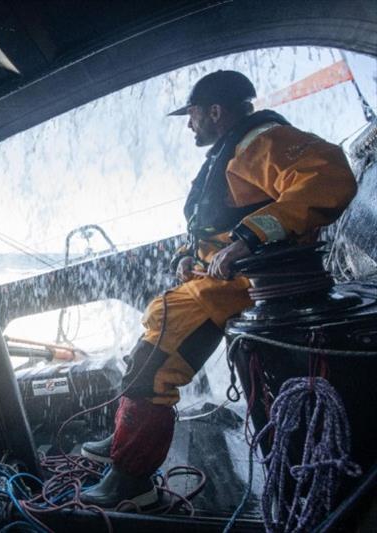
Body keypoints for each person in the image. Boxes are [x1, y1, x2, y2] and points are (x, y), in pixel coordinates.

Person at [80, 71, 358, 507]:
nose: (189, 125)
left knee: (153, 370)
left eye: (192, 114)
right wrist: (187, 254)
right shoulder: (233, 151)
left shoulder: (262, 142)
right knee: (147, 347)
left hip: (243, 286)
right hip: (212, 283)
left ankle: (131, 483)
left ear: (214, 111)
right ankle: (124, 440)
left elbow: (330, 176)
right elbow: (217, 222)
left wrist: (248, 239)